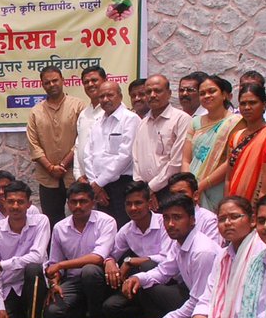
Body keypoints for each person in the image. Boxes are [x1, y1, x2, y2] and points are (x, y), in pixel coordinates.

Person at [130, 194, 220, 318]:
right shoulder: (178, 241)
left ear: (192, 220)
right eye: (166, 218)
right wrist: (137, 278)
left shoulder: (202, 252)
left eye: (177, 218)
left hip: (210, 311)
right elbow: (164, 271)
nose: (170, 224)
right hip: (194, 301)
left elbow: (200, 301)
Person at [42, 182, 117, 318]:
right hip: (74, 281)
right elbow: (55, 262)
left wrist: (61, 265)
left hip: (100, 278)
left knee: (89, 270)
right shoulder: (60, 228)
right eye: (73, 202)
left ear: (93, 202)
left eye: (83, 201)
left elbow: (97, 257)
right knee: (51, 313)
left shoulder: (106, 222)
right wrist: (54, 282)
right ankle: (84, 310)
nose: (78, 206)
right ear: (67, 203)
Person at [102, 181, 180, 318]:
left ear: (149, 203)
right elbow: (111, 254)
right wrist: (110, 262)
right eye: (128, 204)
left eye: (138, 203)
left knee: (148, 265)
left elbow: (166, 258)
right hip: (141, 280)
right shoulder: (126, 230)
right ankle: (151, 314)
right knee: (110, 307)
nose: (133, 208)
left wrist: (131, 261)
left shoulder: (165, 223)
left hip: (168, 279)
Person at [0, 181, 50, 318]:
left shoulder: (41, 222)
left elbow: (38, 256)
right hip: (9, 287)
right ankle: (19, 317)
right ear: (4, 202)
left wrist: (2, 265)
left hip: (33, 285)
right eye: (11, 201)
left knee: (34, 268)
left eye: (20, 202)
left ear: (29, 204)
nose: (15, 206)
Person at [25, 65, 85, 226]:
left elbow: (83, 140)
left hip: (75, 175)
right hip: (47, 178)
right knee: (51, 221)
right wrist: (51, 168)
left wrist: (63, 165)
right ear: (42, 84)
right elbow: (33, 144)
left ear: (63, 81)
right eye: (47, 82)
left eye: (55, 81)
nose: (52, 85)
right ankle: (54, 251)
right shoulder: (35, 112)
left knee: (81, 217)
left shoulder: (78, 106)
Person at [85, 82, 141, 225]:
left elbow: (125, 156)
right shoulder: (97, 123)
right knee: (105, 229)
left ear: (120, 96)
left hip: (122, 185)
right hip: (99, 188)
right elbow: (88, 155)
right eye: (101, 96)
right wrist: (95, 185)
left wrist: (99, 183)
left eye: (110, 95)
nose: (105, 99)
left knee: (124, 227)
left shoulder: (130, 119)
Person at [183, 75, 241, 210]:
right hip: (192, 186)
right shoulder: (195, 122)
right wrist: (188, 185)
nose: (207, 96)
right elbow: (186, 159)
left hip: (216, 187)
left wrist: (202, 185)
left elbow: (230, 161)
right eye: (202, 93)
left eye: (212, 91)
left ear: (224, 95)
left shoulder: (236, 122)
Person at [131, 74, 192, 198]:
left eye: (157, 91)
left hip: (169, 190)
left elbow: (176, 162)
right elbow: (136, 158)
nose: (152, 95)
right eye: (148, 92)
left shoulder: (181, 119)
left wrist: (151, 188)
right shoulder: (143, 122)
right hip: (145, 193)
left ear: (169, 93)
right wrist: (141, 189)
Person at [224, 83, 266, 203]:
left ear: (264, 105)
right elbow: (228, 177)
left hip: (261, 202)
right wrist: (227, 203)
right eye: (243, 103)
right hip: (235, 202)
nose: (247, 107)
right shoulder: (236, 136)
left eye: (252, 103)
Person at [166, 172, 225, 246]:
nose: (177, 198)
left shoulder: (209, 220)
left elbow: (213, 254)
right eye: (173, 194)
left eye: (181, 193)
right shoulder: (168, 220)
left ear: (195, 195)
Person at [72, 66, 106, 183]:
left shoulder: (114, 112)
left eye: (94, 80)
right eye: (86, 82)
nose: (90, 84)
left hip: (107, 183)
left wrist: (99, 181)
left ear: (105, 81)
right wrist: (78, 175)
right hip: (85, 182)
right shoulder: (84, 114)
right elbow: (78, 146)